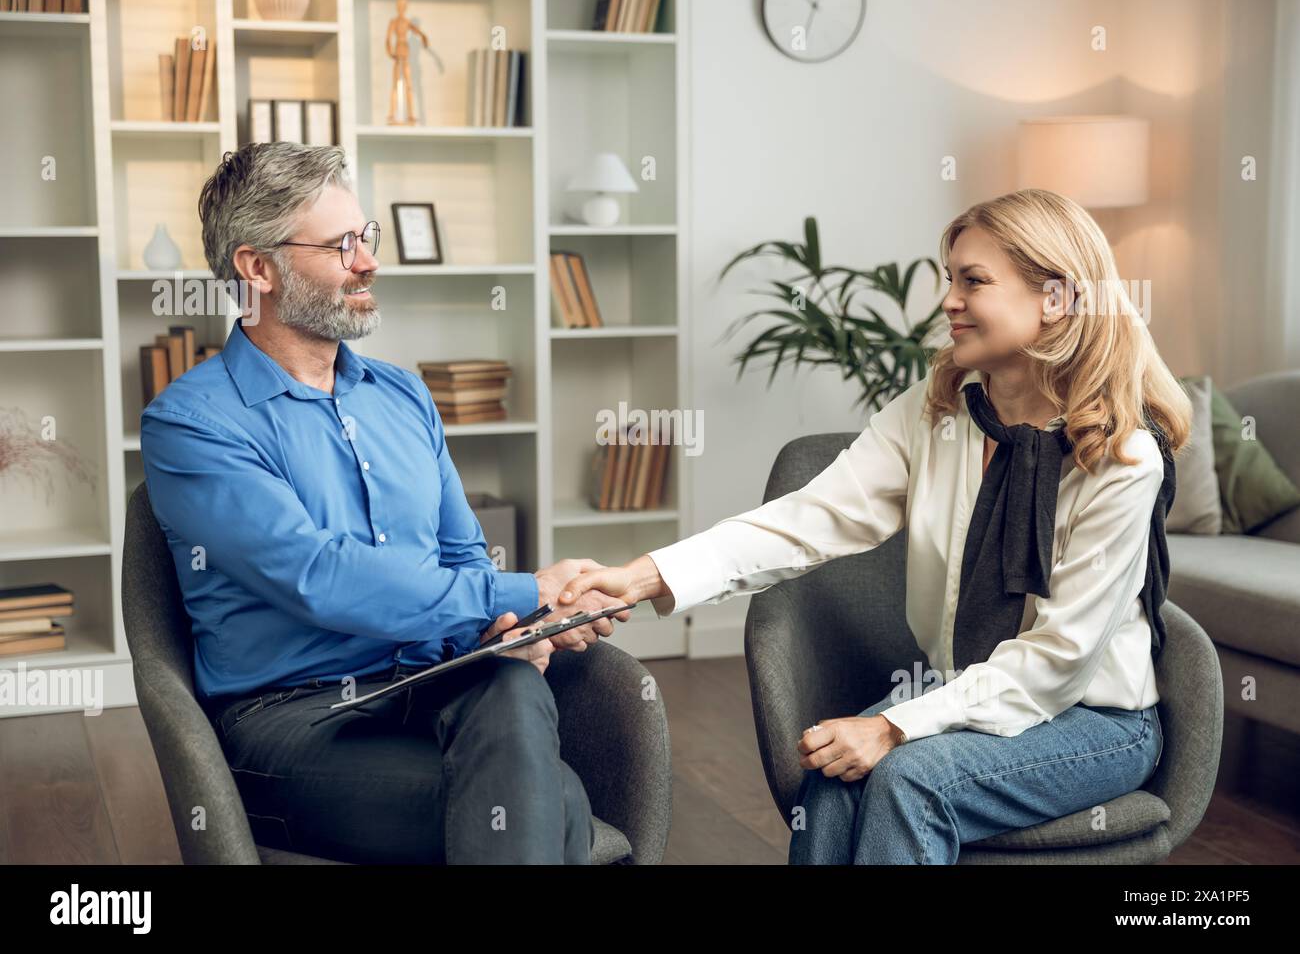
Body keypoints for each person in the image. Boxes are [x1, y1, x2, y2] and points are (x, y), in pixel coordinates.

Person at [557, 188, 1191, 864]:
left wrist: (893, 725)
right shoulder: (939, 411)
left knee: (907, 779)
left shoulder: (1123, 458)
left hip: (1094, 723)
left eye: (973, 281)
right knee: (833, 774)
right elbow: (807, 520)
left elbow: (1058, 665)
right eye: (951, 278)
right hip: (965, 701)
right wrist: (640, 575)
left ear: (1057, 299)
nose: (948, 300)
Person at [140, 141, 630, 864]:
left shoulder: (403, 395)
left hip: (433, 681)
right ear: (256, 268)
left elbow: (462, 554)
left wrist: (515, 623)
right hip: (294, 720)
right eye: (342, 246)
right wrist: (532, 586)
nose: (369, 262)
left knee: (511, 685)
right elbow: (319, 576)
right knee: (554, 803)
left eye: (366, 237)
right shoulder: (192, 423)